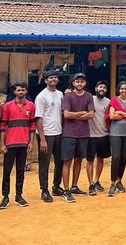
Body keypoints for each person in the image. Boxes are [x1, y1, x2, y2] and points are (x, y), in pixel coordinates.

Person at [0, 83, 35, 209]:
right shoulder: (7, 106)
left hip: (23, 143)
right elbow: (3, 126)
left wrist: (30, 142)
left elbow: (32, 126)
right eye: (18, 90)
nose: (21, 92)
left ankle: (18, 196)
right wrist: (2, 143)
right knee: (7, 171)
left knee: (21, 171)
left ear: (26, 91)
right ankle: (5, 196)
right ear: (14, 92)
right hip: (10, 144)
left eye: (23, 90)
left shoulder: (31, 106)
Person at [61, 73, 95, 203]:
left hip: (83, 134)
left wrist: (75, 115)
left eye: (82, 81)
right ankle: (66, 190)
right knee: (67, 161)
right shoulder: (68, 95)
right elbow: (67, 115)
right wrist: (82, 113)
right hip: (69, 133)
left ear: (85, 83)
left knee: (79, 160)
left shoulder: (88, 96)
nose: (79, 83)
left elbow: (91, 114)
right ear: (73, 83)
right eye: (77, 81)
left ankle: (74, 186)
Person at [35, 70, 64, 203]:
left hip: (58, 133)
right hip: (46, 134)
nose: (53, 79)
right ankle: (44, 190)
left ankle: (56, 186)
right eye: (50, 78)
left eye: (55, 77)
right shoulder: (41, 96)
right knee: (44, 163)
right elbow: (38, 118)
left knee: (60, 161)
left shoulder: (60, 94)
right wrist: (42, 139)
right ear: (45, 80)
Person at [108, 81, 126, 197]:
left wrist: (120, 112)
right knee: (116, 157)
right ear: (118, 90)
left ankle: (119, 180)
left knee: (124, 158)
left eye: (125, 89)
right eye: (121, 89)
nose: (123, 91)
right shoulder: (114, 100)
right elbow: (112, 116)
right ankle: (112, 182)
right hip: (115, 133)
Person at [86, 80, 111, 195]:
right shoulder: (89, 99)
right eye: (100, 87)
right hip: (91, 135)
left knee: (101, 159)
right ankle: (91, 184)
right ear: (96, 88)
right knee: (90, 160)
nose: (102, 89)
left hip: (104, 135)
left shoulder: (109, 102)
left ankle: (96, 181)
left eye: (104, 88)